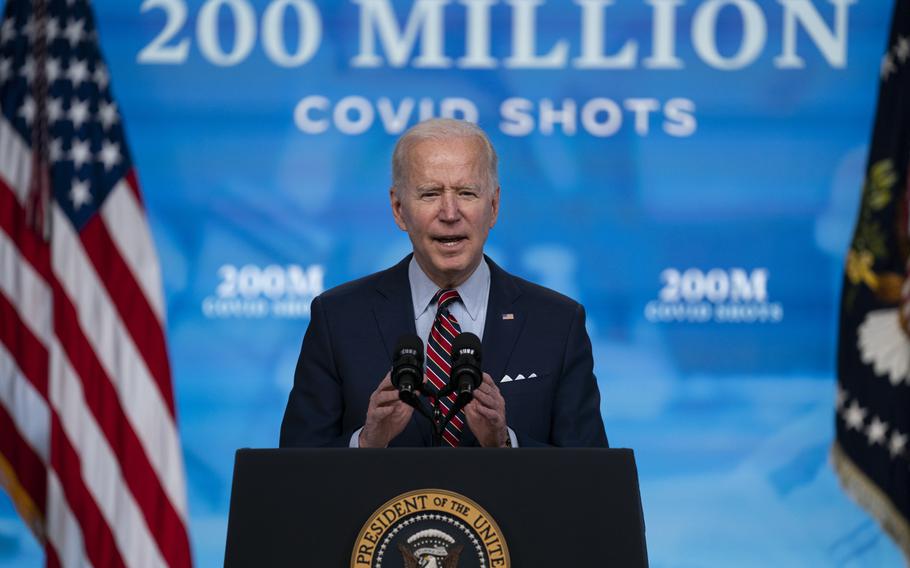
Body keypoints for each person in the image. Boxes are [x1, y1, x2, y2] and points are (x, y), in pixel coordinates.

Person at [280, 119, 608, 448]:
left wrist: (505, 444)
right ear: (398, 209)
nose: (450, 213)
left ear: (493, 206)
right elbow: (290, 476)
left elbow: (593, 480)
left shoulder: (557, 323)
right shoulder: (338, 318)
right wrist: (366, 444)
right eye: (430, 194)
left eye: (467, 193)